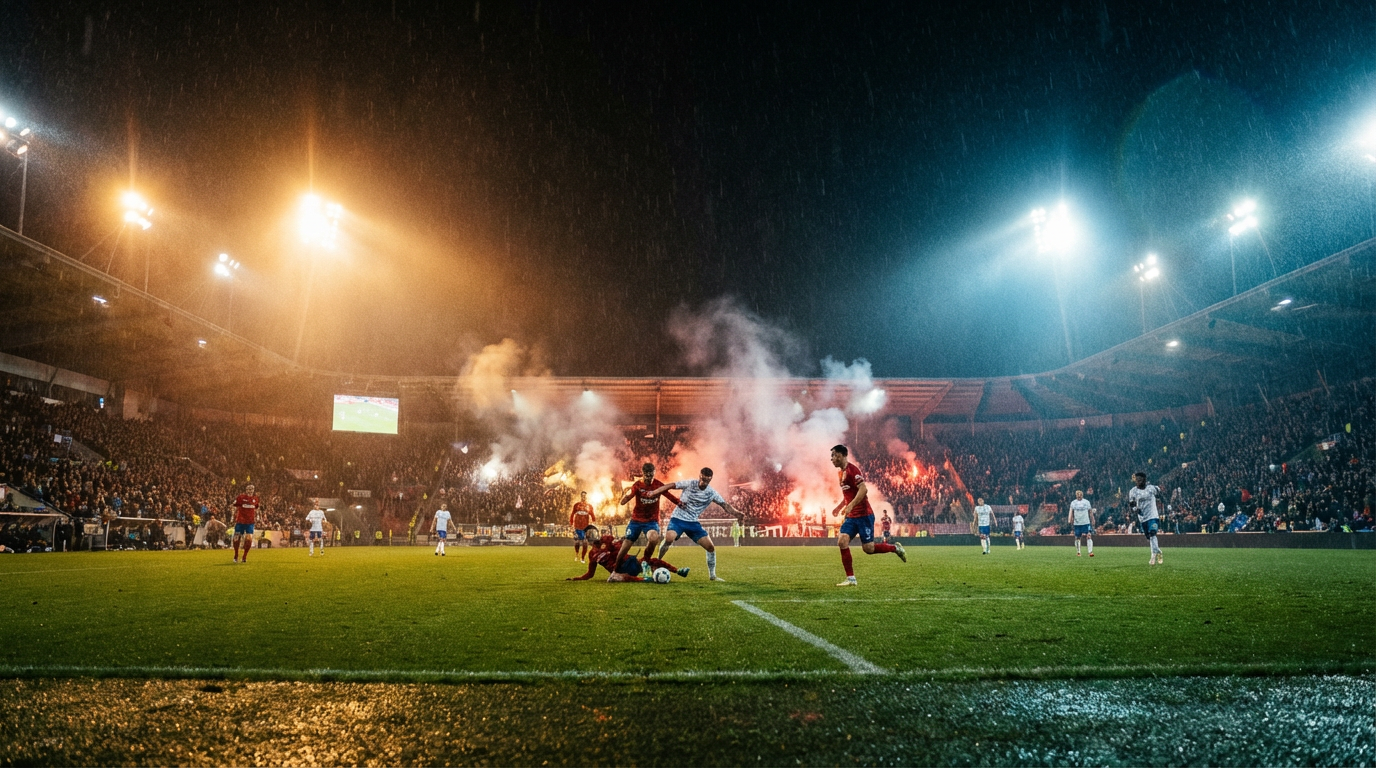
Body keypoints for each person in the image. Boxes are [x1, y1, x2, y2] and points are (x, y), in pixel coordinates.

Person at [642, 467, 744, 581]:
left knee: (710, 547)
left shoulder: (711, 493)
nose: (703, 482)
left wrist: (737, 513)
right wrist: (654, 492)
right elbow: (671, 485)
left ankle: (712, 576)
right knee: (669, 538)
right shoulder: (690, 483)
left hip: (693, 522)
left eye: (706, 480)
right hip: (678, 519)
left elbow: (725, 505)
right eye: (702, 478)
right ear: (699, 476)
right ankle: (657, 562)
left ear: (710, 480)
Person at [828, 445, 905, 587]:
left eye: (834, 455)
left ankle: (895, 548)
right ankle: (851, 579)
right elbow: (848, 494)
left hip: (864, 516)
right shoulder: (840, 474)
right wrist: (840, 507)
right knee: (842, 541)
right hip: (851, 517)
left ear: (842, 455)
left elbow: (863, 489)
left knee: (868, 549)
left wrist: (850, 505)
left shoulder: (853, 470)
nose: (831, 458)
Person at [616, 463, 682, 572]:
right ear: (643, 474)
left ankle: (645, 561)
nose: (649, 478)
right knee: (626, 545)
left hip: (651, 521)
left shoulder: (658, 485)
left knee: (654, 538)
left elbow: (669, 496)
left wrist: (680, 503)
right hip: (636, 520)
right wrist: (624, 497)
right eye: (647, 476)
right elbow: (625, 500)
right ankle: (616, 569)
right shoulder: (637, 485)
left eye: (651, 475)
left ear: (654, 473)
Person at [567, 525, 689, 582]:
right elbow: (590, 574)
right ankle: (645, 579)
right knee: (621, 577)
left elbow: (621, 547)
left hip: (629, 563)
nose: (591, 537)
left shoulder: (607, 539)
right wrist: (576, 579)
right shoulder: (592, 554)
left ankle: (678, 571)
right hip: (619, 570)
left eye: (592, 534)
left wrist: (619, 542)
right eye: (589, 535)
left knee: (652, 561)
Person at [1129, 472, 1165, 565]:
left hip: (1153, 516)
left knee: (1152, 533)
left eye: (1140, 480)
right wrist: (1135, 509)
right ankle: (1159, 552)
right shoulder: (1133, 491)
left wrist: (1163, 505)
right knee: (1149, 537)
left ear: (1145, 480)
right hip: (1142, 517)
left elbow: (1161, 495)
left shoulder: (1152, 488)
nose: (1138, 482)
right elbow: (1132, 505)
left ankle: (1153, 557)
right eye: (1137, 480)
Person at [230, 483, 260, 564]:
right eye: (248, 489)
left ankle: (244, 556)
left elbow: (257, 508)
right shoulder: (241, 497)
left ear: (253, 491)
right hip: (240, 521)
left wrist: (258, 517)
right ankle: (236, 555)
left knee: (248, 539)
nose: (250, 491)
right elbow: (233, 505)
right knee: (236, 538)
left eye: (251, 489)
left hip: (250, 522)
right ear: (246, 490)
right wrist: (232, 517)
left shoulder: (255, 499)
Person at [569, 491, 596, 563]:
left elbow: (592, 515)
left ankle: (583, 558)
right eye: (582, 495)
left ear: (586, 497)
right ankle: (577, 554)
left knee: (585, 542)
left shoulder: (589, 506)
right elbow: (572, 514)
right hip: (577, 526)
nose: (583, 497)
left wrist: (593, 522)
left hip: (585, 527)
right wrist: (571, 522)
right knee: (577, 542)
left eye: (585, 496)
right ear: (581, 496)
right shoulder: (576, 505)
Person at [1069, 490, 1094, 557]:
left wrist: (1093, 519)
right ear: (1076, 495)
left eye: (1080, 494)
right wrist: (1070, 519)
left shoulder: (1086, 502)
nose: (1079, 496)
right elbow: (1071, 511)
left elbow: (1090, 512)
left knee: (1088, 535)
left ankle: (1090, 552)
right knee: (1077, 537)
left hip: (1086, 522)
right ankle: (1078, 552)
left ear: (1082, 495)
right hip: (1077, 523)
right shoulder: (1073, 503)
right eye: (1078, 494)